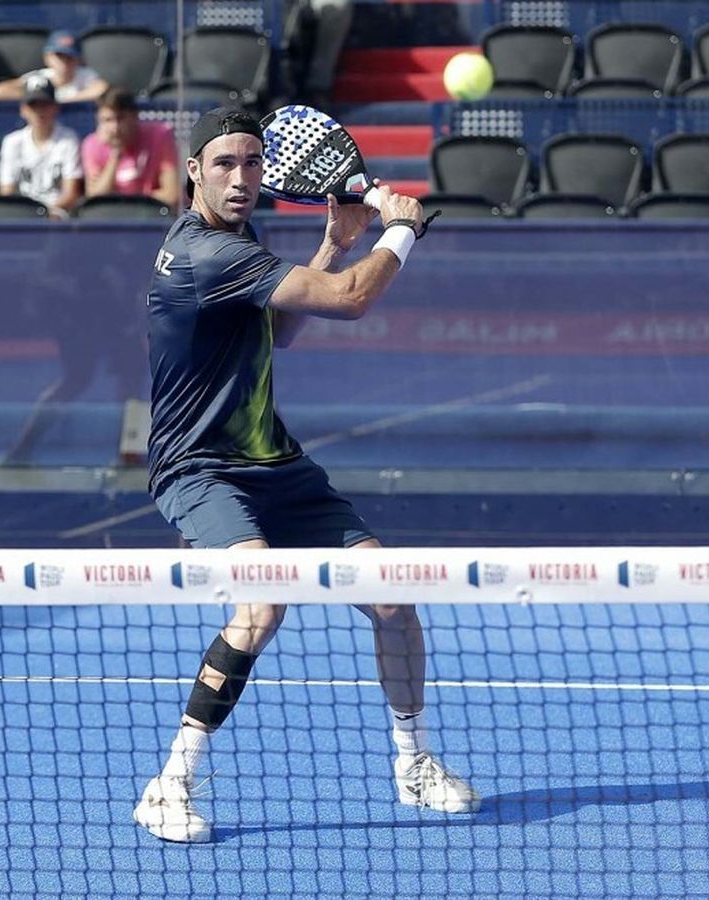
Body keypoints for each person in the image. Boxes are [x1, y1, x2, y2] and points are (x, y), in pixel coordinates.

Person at [131, 108, 477, 844]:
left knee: (392, 599)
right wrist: (402, 230)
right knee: (264, 604)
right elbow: (351, 301)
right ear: (193, 170)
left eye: (254, 163)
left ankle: (413, 764)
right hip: (201, 468)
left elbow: (278, 328)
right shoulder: (203, 254)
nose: (242, 178)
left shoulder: (238, 239)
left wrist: (332, 242)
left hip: (274, 464)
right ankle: (170, 782)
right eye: (225, 164)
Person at [0, 73, 83, 216]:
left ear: (55, 108)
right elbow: (7, 191)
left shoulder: (69, 140)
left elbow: (70, 193)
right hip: (21, 216)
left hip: (57, 215)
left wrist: (45, 214)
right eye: (33, 106)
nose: (39, 112)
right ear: (23, 110)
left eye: (45, 105)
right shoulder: (12, 142)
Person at [81, 87, 180, 209]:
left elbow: (172, 195)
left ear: (135, 116)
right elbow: (95, 200)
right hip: (114, 218)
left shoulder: (160, 135)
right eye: (107, 120)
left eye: (121, 118)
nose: (115, 128)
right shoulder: (91, 145)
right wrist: (116, 154)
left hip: (153, 215)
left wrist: (127, 201)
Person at [0, 29, 108, 104]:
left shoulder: (85, 75)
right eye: (59, 56)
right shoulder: (39, 77)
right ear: (47, 58)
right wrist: (39, 98)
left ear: (79, 59)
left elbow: (102, 89)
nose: (64, 62)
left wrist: (62, 100)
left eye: (70, 57)